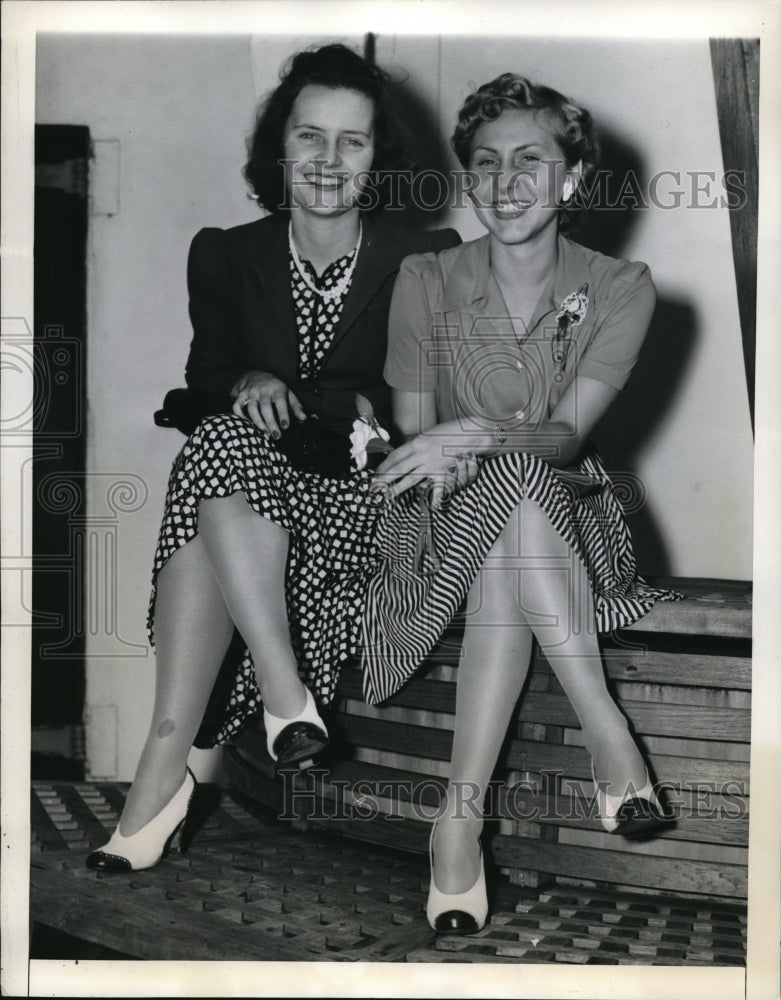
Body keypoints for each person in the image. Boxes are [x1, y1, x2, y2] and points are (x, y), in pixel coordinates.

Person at [86, 43, 459, 873]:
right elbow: (200, 389)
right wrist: (248, 380)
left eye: (352, 142)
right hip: (251, 492)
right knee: (218, 439)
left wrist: (345, 413)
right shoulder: (223, 252)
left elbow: (423, 414)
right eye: (309, 136)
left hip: (367, 499)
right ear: (279, 148)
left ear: (377, 158)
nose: (328, 161)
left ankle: (166, 769)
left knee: (209, 477)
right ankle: (280, 701)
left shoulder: (424, 257)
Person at [362, 73, 681, 933]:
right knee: (507, 491)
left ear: (571, 178)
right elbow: (417, 448)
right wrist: (466, 443)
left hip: (575, 520)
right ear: (467, 179)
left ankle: (457, 823)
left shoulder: (621, 286)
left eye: (529, 160)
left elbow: (567, 441)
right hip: (438, 518)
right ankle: (605, 736)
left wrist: (473, 433)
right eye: (484, 164)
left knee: (522, 487)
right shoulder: (425, 277)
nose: (503, 183)